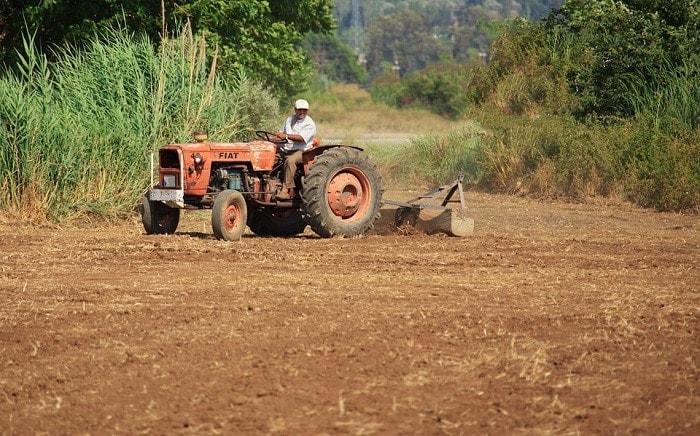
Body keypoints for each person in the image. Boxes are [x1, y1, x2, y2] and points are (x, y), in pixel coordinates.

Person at [274, 98, 317, 200]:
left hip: (303, 151)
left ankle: (285, 190)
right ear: (295, 109)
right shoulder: (290, 119)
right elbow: (281, 134)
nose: (302, 112)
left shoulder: (309, 123)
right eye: (300, 109)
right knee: (271, 158)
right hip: (286, 149)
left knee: (290, 161)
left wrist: (286, 136)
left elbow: (301, 138)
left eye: (305, 110)